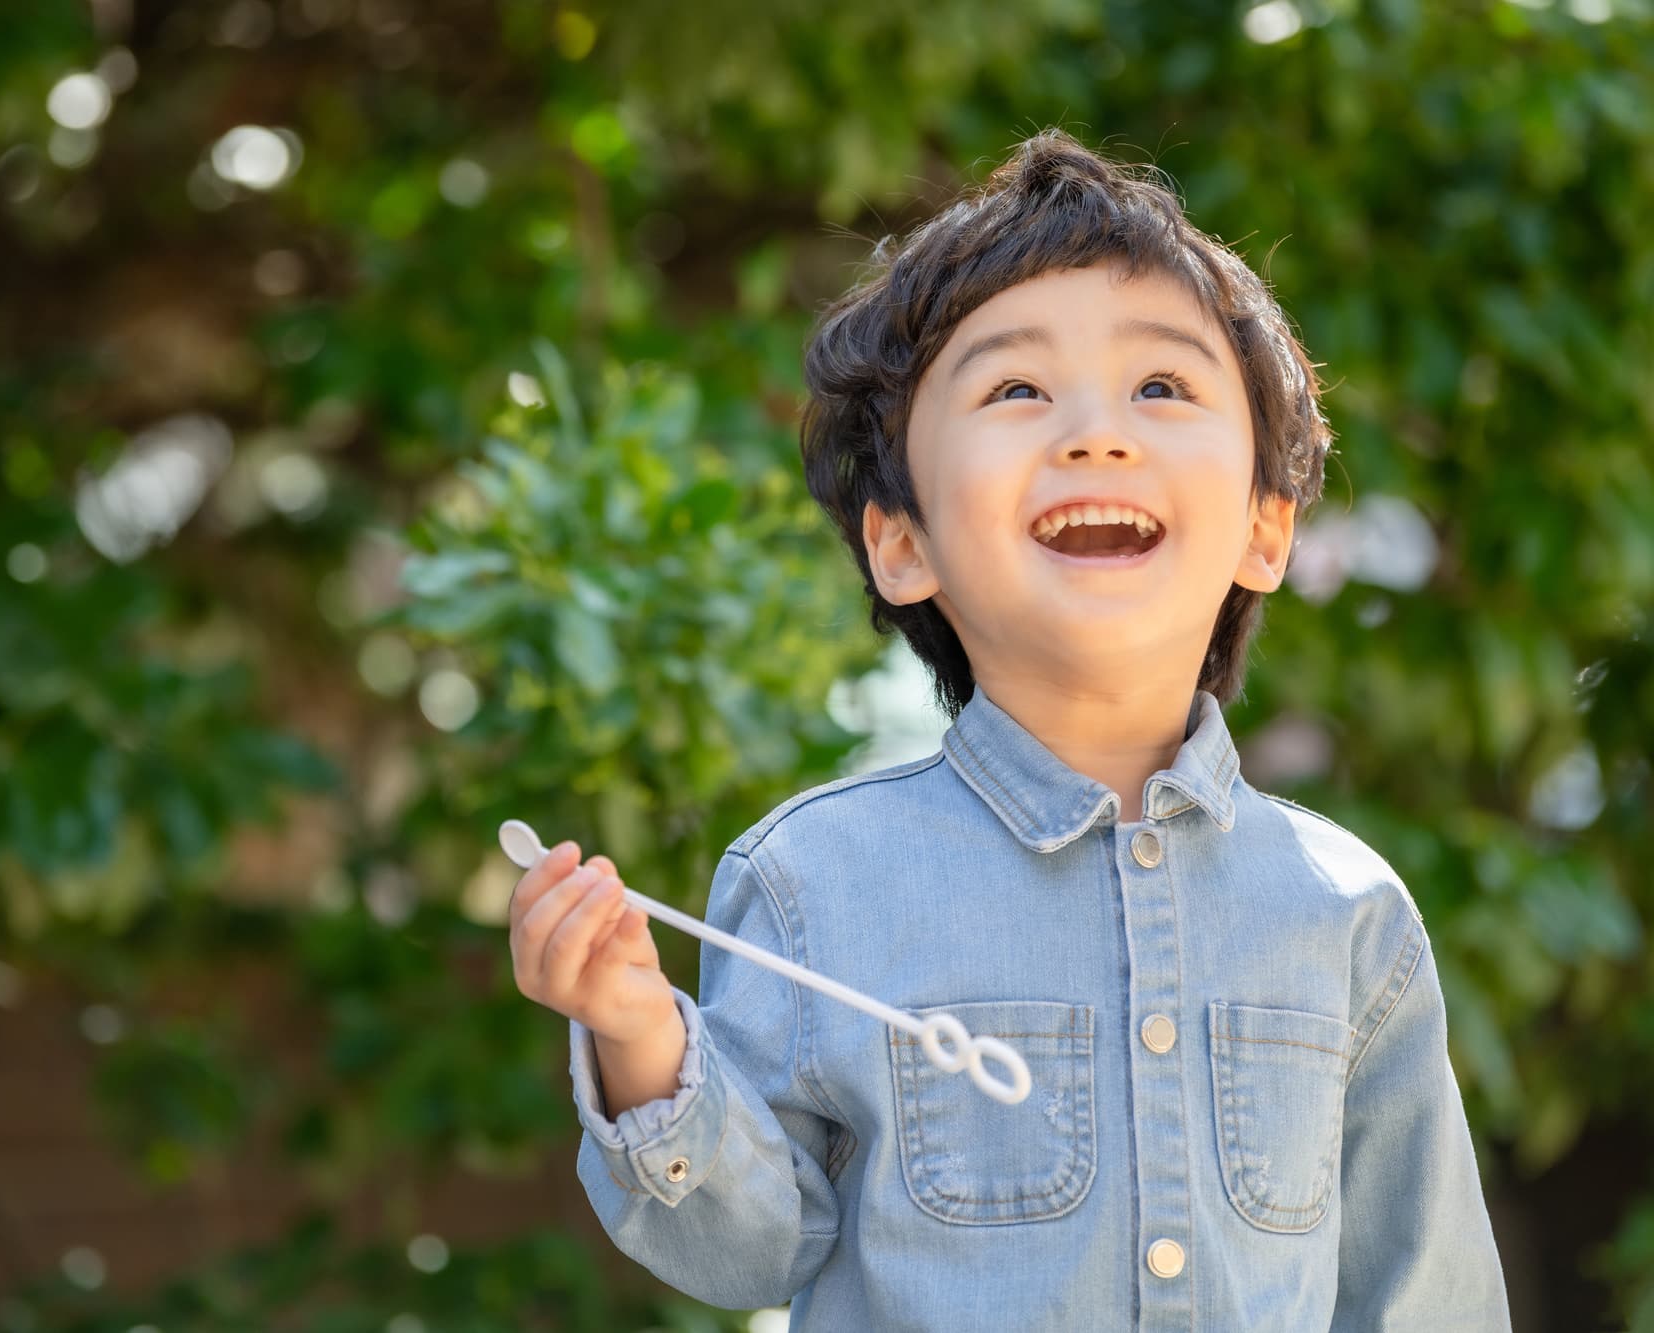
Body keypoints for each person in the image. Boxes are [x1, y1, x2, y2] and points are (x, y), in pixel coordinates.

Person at [507, 126, 1512, 1331]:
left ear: (1264, 526)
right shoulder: (811, 884)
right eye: (1014, 389)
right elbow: (748, 1250)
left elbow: (1424, 1291)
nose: (1095, 432)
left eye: (1161, 386)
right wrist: (636, 1036)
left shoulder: (1347, 915)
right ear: (902, 543)